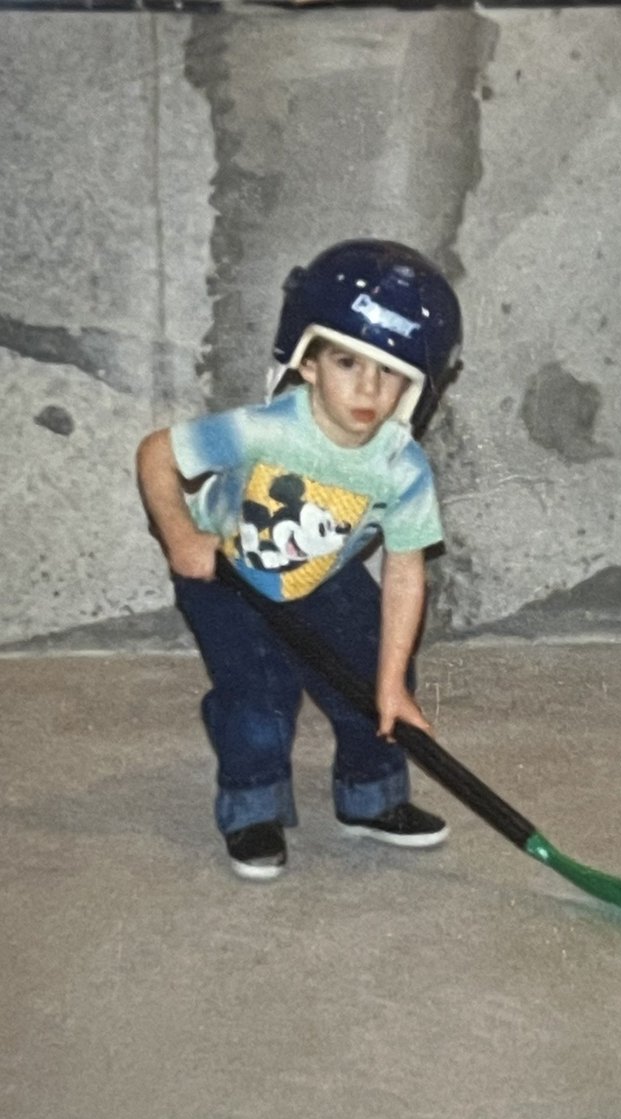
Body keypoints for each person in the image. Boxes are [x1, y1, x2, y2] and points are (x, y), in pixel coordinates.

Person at [136, 239, 462, 880]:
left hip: (324, 575)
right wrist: (180, 535)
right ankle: (252, 809)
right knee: (259, 698)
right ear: (308, 361)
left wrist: (391, 682)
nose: (369, 387)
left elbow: (404, 571)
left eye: (390, 370)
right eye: (347, 361)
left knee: (373, 686)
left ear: (416, 383)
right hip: (229, 572)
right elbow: (157, 453)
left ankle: (371, 800)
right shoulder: (265, 429)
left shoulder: (401, 467)